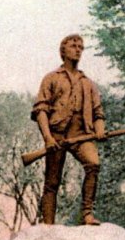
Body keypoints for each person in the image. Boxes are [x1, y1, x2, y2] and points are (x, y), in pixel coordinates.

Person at [31, 34, 106, 225]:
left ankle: (87, 214)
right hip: (56, 135)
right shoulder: (51, 78)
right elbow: (41, 110)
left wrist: (100, 129)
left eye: (81, 46)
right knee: (52, 182)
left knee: (93, 164)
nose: (78, 49)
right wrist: (48, 138)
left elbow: (98, 113)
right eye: (73, 46)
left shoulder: (88, 83)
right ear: (63, 50)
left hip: (81, 134)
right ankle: (48, 224)